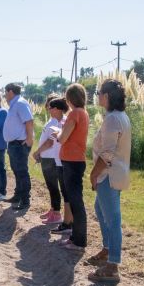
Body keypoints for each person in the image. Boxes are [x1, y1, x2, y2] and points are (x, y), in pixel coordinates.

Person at [87, 79, 131, 282]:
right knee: (100, 210)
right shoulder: (118, 116)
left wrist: (94, 174)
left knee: (113, 219)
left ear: (107, 96)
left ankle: (113, 265)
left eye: (99, 93)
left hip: (109, 175)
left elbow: (107, 154)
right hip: (114, 174)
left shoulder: (113, 119)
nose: (97, 96)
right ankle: (107, 249)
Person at [56, 83, 90, 251]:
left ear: (70, 98)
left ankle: (79, 240)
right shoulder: (83, 113)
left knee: (76, 201)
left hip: (72, 161)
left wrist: (58, 135)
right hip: (76, 160)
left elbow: (63, 139)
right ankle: (75, 237)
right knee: (76, 200)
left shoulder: (74, 113)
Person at [33, 96, 70, 225]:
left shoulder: (57, 121)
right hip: (48, 156)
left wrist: (37, 152)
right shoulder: (53, 120)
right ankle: (53, 209)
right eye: (49, 104)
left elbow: (50, 142)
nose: (48, 107)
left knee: (54, 186)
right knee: (51, 186)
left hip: (50, 157)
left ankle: (56, 213)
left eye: (51, 105)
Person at [2, 83, 34, 210]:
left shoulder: (20, 103)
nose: (4, 95)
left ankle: (25, 200)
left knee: (21, 172)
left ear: (10, 92)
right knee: (17, 171)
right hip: (14, 144)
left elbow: (29, 121)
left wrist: (30, 139)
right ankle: (18, 195)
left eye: (5, 92)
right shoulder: (15, 104)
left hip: (20, 144)